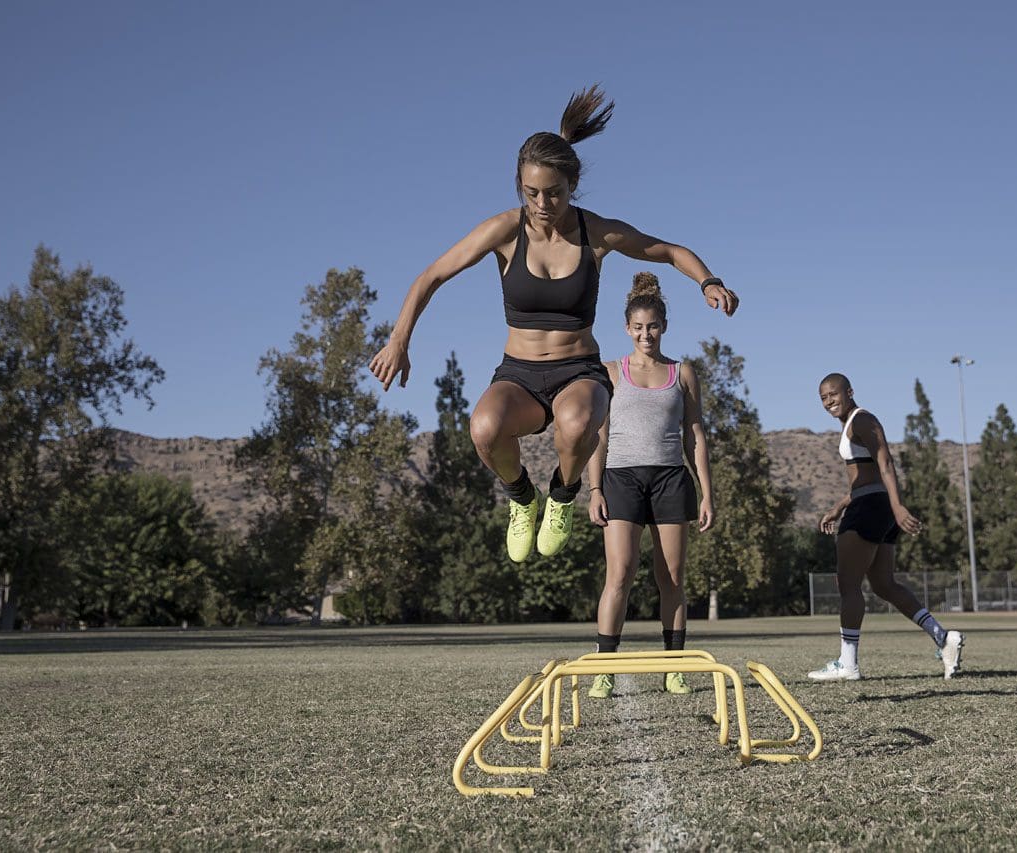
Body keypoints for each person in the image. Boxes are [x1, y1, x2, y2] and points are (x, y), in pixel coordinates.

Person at [368, 85, 738, 563]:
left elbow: (667, 250)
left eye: (555, 193)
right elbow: (431, 276)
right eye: (532, 193)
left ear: (573, 186)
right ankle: (523, 499)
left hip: (578, 372)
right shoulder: (504, 230)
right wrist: (399, 340)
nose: (543, 204)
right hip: (518, 374)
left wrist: (708, 280)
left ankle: (562, 497)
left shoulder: (596, 233)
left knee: (579, 421)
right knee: (484, 429)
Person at [584, 273, 713, 698]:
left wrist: (707, 491)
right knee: (619, 572)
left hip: (671, 480)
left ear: (664, 326)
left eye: (653, 326)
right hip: (621, 478)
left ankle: (673, 667)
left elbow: (694, 434)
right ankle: (604, 669)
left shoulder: (683, 373)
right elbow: (597, 435)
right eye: (638, 327)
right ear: (627, 329)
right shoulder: (611, 372)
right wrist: (595, 489)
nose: (646, 334)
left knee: (672, 576)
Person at [808, 373, 965, 681]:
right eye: (823, 397)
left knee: (848, 583)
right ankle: (943, 638)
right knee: (883, 584)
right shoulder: (851, 424)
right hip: (873, 505)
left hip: (872, 508)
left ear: (849, 391)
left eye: (833, 394)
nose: (829, 401)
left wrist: (897, 507)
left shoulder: (862, 420)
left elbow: (886, 463)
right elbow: (864, 477)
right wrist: (839, 507)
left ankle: (848, 663)